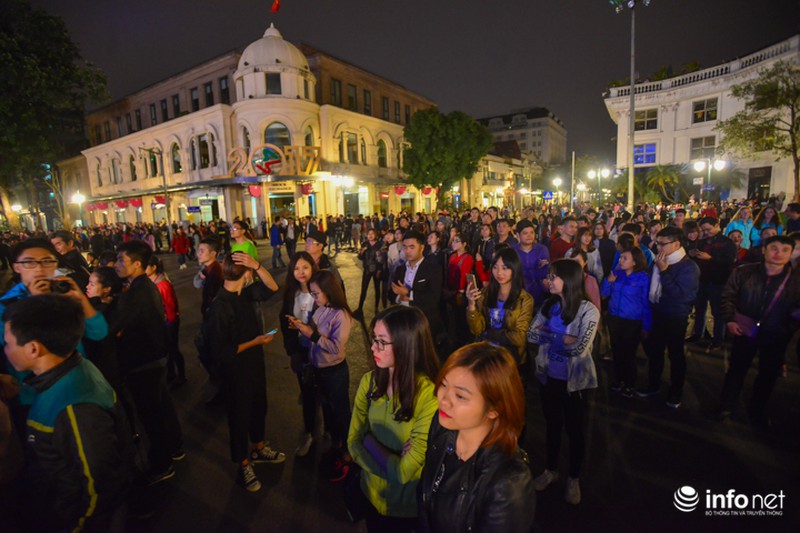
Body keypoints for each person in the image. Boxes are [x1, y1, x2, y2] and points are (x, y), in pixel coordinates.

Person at [4, 295, 131, 532]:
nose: (5, 350)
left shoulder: (74, 407)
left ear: (33, 348)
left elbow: (100, 488)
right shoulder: (75, 365)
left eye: (8, 343)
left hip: (72, 517)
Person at [418, 343, 534, 532]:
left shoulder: (509, 482)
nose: (444, 400)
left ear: (494, 409)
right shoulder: (442, 427)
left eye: (460, 396)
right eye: (444, 385)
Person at [347, 306, 439, 531]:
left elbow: (405, 472)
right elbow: (353, 442)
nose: (372, 347)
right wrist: (392, 465)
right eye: (373, 339)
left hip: (406, 510)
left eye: (381, 341)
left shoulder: (429, 396)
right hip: (369, 495)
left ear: (406, 344)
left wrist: (369, 441)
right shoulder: (369, 382)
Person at [202, 253, 284, 492]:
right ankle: (243, 463)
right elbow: (221, 352)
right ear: (245, 275)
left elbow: (273, 286)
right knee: (239, 417)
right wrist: (256, 341)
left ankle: (258, 448)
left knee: (259, 406)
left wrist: (257, 264)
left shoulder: (245, 294)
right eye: (251, 271)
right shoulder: (220, 306)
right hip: (235, 372)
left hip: (254, 365)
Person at [1, 239, 109, 409]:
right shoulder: (6, 305)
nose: (39, 268)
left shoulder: (62, 293)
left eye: (47, 261)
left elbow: (99, 332)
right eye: (29, 262)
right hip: (34, 395)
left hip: (76, 384)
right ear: (16, 267)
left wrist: (79, 298)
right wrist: (38, 301)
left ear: (55, 263)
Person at [527, 259, 599, 504]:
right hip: (549, 377)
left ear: (568, 280)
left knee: (575, 431)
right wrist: (562, 337)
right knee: (552, 426)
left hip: (574, 382)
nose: (548, 280)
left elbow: (579, 347)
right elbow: (531, 334)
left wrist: (549, 335)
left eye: (553, 276)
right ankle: (551, 470)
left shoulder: (588, 310)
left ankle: (574, 478)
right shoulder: (549, 305)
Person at [111, 240, 183, 484]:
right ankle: (175, 448)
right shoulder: (139, 286)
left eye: (122, 260)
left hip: (144, 360)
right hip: (154, 357)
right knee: (162, 408)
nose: (117, 264)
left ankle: (162, 464)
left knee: (152, 416)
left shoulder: (139, 291)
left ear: (138, 264)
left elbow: (116, 327)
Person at [717, 235, 800, 427]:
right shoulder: (744, 272)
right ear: (764, 250)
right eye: (774, 248)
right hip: (744, 330)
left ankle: (757, 410)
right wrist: (730, 319)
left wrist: (786, 328)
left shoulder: (795, 281)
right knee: (736, 370)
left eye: (785, 250)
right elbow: (728, 296)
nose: (778, 253)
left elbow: (797, 310)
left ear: (791, 253)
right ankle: (726, 406)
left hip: (776, 335)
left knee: (767, 375)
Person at [288, 269, 353, 481]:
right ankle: (335, 445)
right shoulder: (322, 308)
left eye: (316, 293)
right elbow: (310, 336)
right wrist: (300, 328)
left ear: (329, 290)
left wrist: (312, 334)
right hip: (319, 369)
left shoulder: (341, 315)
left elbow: (336, 347)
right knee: (327, 409)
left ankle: (347, 453)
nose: (314, 298)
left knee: (341, 412)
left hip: (335, 371)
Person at [638, 227, 700, 408]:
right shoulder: (659, 261)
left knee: (676, 355)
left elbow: (682, 295)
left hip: (675, 316)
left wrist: (664, 272)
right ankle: (653, 384)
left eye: (662, 244)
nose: (658, 247)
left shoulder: (688, 267)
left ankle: (676, 391)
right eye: (657, 243)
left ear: (676, 244)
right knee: (655, 352)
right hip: (657, 313)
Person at [466, 247, 534, 365]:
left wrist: (490, 333)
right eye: (495, 267)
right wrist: (471, 305)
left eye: (505, 268)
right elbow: (477, 330)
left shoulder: (524, 299)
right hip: (485, 355)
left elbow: (519, 337)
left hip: (509, 359)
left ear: (515, 269)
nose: (499, 273)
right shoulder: (485, 293)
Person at [279, 252, 318, 456]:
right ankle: (309, 432)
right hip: (300, 351)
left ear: (312, 268)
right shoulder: (290, 295)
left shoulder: (321, 292)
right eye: (296, 268)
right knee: (307, 391)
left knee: (327, 395)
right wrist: (292, 350)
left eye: (305, 267)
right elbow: (284, 324)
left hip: (320, 350)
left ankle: (333, 435)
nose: (301, 272)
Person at [601, 247, 651, 397]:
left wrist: (647, 325)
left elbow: (646, 303)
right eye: (620, 257)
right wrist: (608, 282)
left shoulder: (643, 278)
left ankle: (629, 383)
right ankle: (619, 380)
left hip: (632, 321)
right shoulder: (616, 274)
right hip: (614, 318)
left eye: (624, 258)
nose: (620, 261)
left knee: (628, 353)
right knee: (616, 351)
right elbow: (604, 293)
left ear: (635, 261)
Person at [391, 230, 446, 355]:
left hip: (424, 325)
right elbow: (391, 293)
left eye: (412, 247)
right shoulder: (400, 269)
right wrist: (399, 297)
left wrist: (408, 293)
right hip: (403, 323)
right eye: (405, 247)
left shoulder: (433, 269)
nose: (407, 251)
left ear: (421, 247)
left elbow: (433, 298)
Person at [686, 217, 737, 349]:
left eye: (708, 229)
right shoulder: (702, 242)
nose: (706, 232)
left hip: (718, 282)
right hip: (702, 281)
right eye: (703, 230)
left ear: (717, 225)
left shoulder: (727, 243)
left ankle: (718, 339)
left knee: (718, 313)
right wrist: (692, 254)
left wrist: (711, 259)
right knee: (699, 310)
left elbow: (729, 263)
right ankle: (698, 334)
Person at [146, 256, 186, 388]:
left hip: (169, 322)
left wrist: (169, 323)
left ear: (153, 268)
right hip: (165, 321)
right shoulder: (153, 281)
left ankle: (181, 376)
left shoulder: (162, 284)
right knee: (168, 350)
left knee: (173, 349)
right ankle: (171, 374)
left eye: (146, 266)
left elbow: (170, 306)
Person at [445, 232, 474, 349]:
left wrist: (460, 292)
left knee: (461, 318)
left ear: (464, 244)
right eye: (453, 241)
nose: (454, 243)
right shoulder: (452, 256)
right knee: (453, 318)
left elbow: (464, 276)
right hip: (450, 291)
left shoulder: (467, 258)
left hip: (460, 293)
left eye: (457, 241)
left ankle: (463, 342)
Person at [513, 219, 550, 310]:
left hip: (539, 296)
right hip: (519, 297)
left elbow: (544, 273)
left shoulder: (542, 249)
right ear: (518, 235)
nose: (529, 236)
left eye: (532, 232)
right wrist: (536, 269)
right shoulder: (513, 252)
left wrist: (525, 272)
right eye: (525, 233)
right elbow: (514, 274)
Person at [354, 228, 384, 319]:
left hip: (376, 269)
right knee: (364, 289)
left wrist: (379, 270)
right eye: (369, 234)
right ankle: (360, 308)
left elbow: (382, 259)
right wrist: (361, 253)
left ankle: (376, 308)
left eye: (372, 233)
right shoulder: (364, 244)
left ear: (376, 235)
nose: (370, 235)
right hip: (367, 269)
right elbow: (360, 257)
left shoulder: (380, 245)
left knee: (377, 288)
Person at [193, 238, 224, 319]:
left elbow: (212, 295)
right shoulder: (208, 268)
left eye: (202, 251)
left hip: (213, 312)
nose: (198, 254)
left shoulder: (215, 272)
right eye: (198, 250)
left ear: (213, 253)